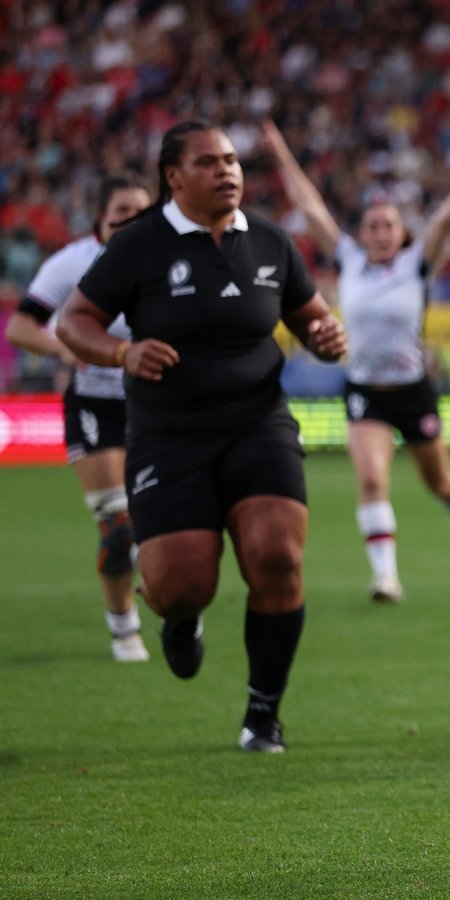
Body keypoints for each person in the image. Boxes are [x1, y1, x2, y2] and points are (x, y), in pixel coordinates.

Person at [58, 121, 347, 753]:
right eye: (209, 162)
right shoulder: (139, 245)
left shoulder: (271, 241)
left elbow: (312, 315)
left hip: (259, 424)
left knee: (278, 557)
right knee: (181, 585)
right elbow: (73, 321)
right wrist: (121, 352)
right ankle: (180, 617)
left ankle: (263, 715)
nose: (227, 171)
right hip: (169, 435)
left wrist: (327, 336)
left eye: (233, 160)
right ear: (174, 177)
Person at [260, 119, 450, 603]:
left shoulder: (416, 265)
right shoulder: (348, 260)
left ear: (401, 232)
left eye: (389, 225)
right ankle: (386, 577)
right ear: (362, 234)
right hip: (365, 390)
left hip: (413, 390)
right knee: (371, 478)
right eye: (373, 226)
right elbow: (309, 205)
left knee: (440, 482)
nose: (381, 232)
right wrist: (280, 151)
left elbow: (449, 214)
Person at [4, 174, 152, 662]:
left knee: (165, 521)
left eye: (140, 213)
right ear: (99, 221)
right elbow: (22, 326)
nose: (132, 224)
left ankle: (174, 601)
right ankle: (123, 626)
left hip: (157, 405)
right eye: (120, 216)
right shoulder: (70, 263)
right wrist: (66, 350)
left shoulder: (171, 257)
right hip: (96, 405)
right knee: (118, 526)